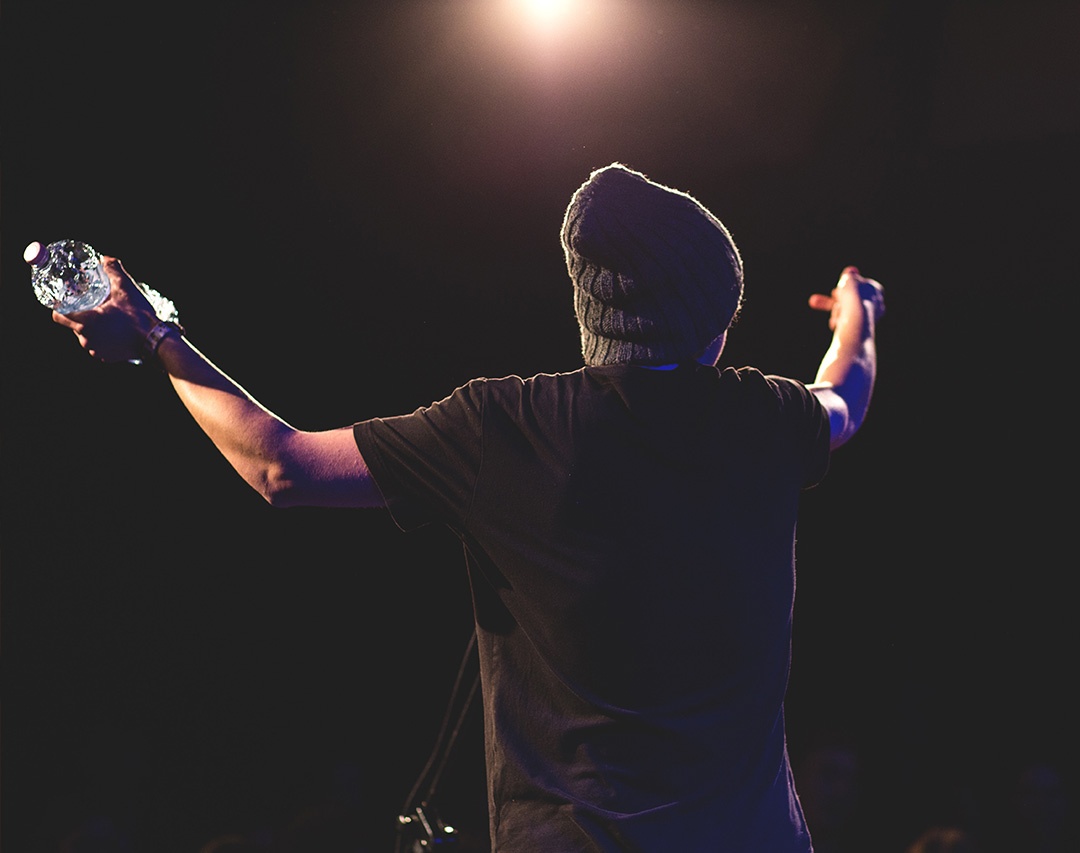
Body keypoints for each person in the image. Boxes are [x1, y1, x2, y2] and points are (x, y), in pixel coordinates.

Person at [52, 163, 884, 852]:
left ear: (591, 311)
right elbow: (843, 394)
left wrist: (156, 336)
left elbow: (279, 464)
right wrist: (860, 319)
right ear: (713, 321)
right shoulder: (765, 419)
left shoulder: (506, 427)